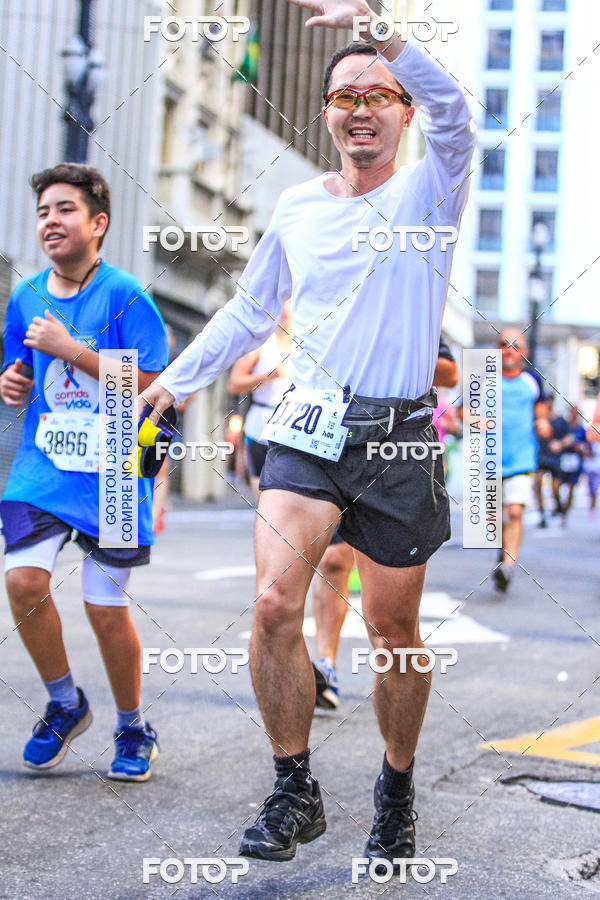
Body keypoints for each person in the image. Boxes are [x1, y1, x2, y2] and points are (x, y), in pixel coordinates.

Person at [142, 0, 475, 869]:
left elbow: (460, 112)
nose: (359, 106)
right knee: (271, 605)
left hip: (399, 435)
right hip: (309, 426)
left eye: (378, 93)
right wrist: (172, 384)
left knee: (395, 635)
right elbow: (251, 312)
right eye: (342, 96)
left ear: (404, 112)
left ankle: (395, 789)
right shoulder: (296, 207)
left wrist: (380, 28)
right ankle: (294, 789)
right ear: (325, 114)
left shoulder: (432, 183)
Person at [0, 164, 168, 780]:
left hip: (118, 471)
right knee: (22, 583)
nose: (51, 220)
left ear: (97, 224)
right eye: (43, 210)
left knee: (103, 608)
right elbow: (16, 371)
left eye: (65, 209)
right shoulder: (25, 296)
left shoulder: (126, 296)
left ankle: (131, 726)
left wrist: (73, 350)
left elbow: (157, 385)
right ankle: (64, 703)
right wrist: (10, 381)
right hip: (44, 465)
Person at [311, 337, 460, 710]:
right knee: (332, 561)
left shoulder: (407, 309)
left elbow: (451, 372)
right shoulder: (333, 308)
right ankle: (325, 665)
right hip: (333, 444)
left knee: (392, 627)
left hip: (399, 456)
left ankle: (396, 747)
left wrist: (389, 349)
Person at [494, 329, 549, 593]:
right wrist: (476, 421)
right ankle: (503, 551)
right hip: (488, 459)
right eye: (504, 345)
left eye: (515, 345)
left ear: (523, 353)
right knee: (494, 517)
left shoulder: (533, 382)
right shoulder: (484, 380)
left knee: (515, 511)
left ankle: (507, 566)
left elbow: (542, 415)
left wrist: (542, 425)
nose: (509, 350)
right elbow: (464, 412)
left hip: (522, 457)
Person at [227, 301, 292, 497]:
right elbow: (234, 384)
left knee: (289, 493)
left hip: (295, 423)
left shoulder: (309, 345)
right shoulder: (261, 344)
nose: (287, 312)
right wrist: (267, 376)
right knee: (263, 494)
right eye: (283, 307)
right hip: (261, 423)